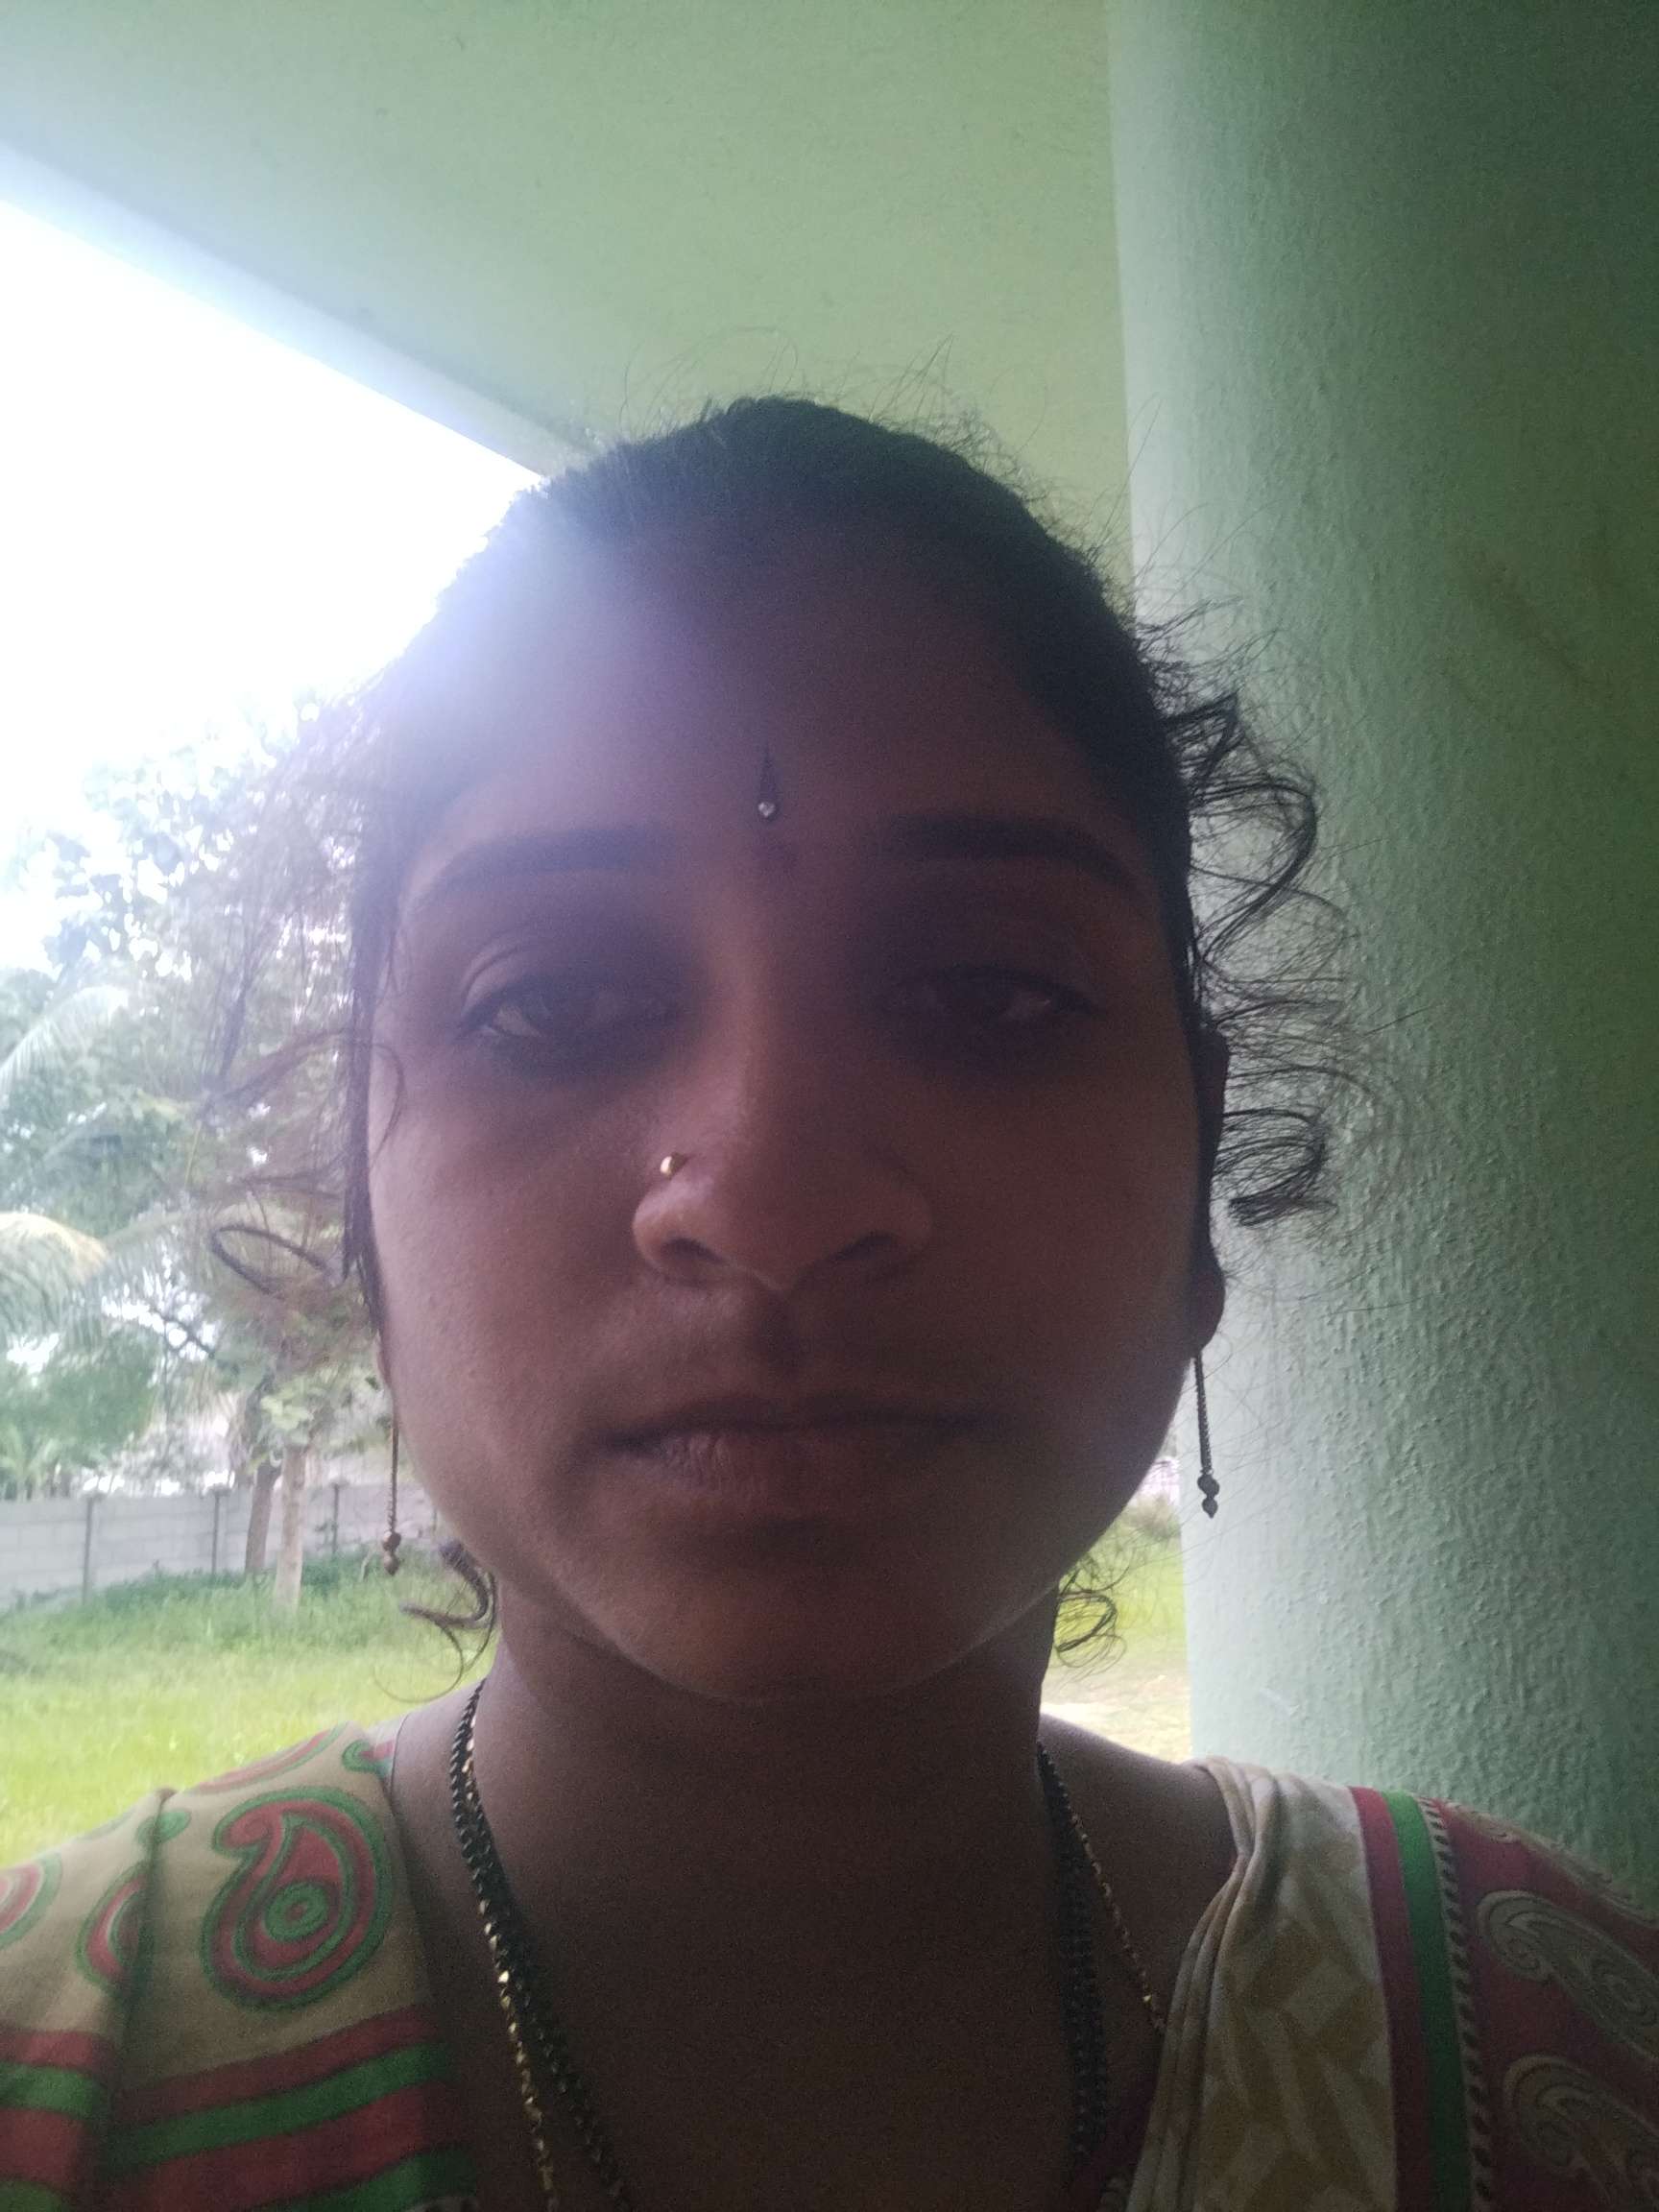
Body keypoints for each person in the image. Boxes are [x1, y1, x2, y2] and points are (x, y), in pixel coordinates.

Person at [1, 399, 1652, 2212]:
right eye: (551, 1003)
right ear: (358, 1215)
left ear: (1197, 1175)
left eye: (989, 995)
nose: (773, 1203)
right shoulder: (57, 2082)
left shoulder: (1549, 2051)